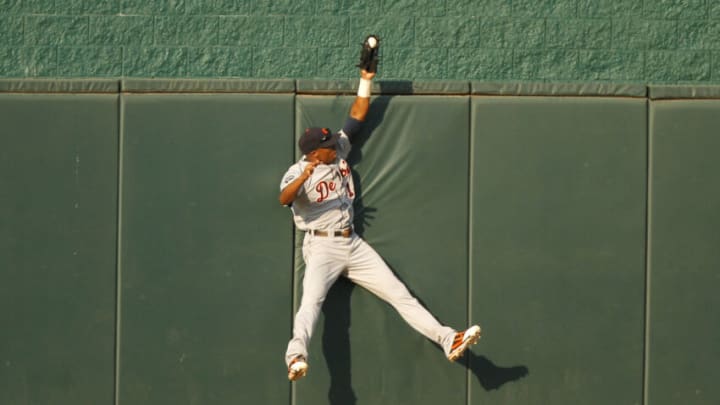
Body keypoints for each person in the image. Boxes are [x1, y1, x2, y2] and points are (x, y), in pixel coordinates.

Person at [279, 66, 481, 382]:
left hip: (352, 243)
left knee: (400, 294)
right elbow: (284, 198)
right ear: (314, 153)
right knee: (310, 305)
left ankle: (447, 339)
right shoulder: (298, 170)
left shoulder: (338, 151)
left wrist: (366, 80)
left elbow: (357, 115)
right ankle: (296, 357)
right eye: (328, 145)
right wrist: (304, 177)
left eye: (333, 142)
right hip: (321, 246)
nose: (335, 146)